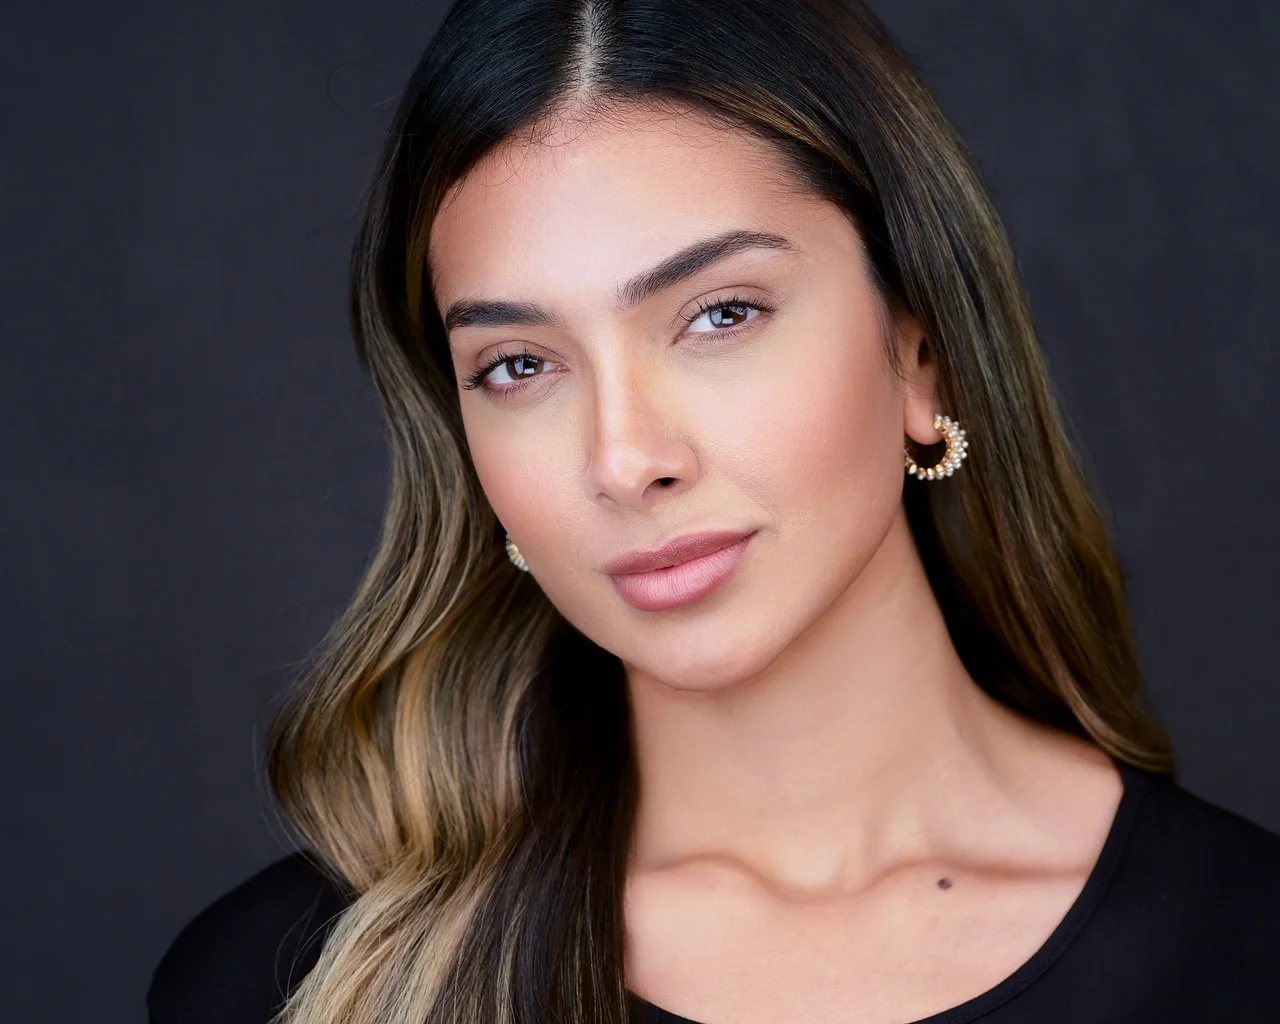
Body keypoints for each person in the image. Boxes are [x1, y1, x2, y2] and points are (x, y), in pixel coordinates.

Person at [147, 0, 1280, 1021]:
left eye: (719, 313)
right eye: (517, 366)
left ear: (918, 350)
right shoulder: (288, 983)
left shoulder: (1245, 952)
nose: (625, 457)